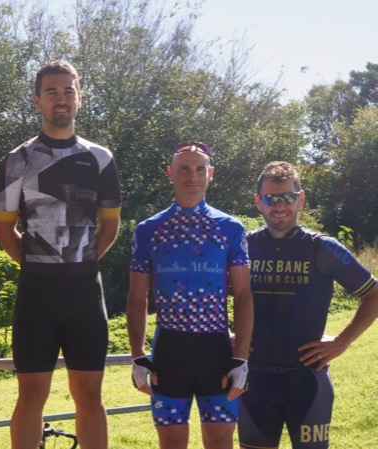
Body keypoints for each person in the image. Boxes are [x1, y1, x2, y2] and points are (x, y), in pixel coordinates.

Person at [0, 60, 122, 449]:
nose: (60, 99)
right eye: (51, 92)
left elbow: (110, 226)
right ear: (37, 101)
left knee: (90, 396)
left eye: (68, 91)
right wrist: (38, 263)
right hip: (37, 294)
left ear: (79, 98)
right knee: (31, 396)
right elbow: (4, 229)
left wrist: (80, 262)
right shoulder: (17, 160)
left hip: (85, 292)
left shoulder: (101, 159)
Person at [239, 161, 378, 449]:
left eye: (288, 197)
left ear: (301, 198)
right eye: (271, 198)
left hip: (306, 379)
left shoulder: (323, 248)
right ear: (258, 202)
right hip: (254, 379)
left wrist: (342, 341)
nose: (280, 206)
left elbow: (373, 294)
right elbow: (208, 293)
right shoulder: (243, 247)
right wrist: (225, 335)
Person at [126, 141, 253, 449]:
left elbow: (243, 294)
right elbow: (137, 296)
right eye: (183, 168)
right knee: (171, 443)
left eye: (199, 169)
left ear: (211, 174)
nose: (192, 176)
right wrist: (138, 355)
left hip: (216, 352)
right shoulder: (148, 229)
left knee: (220, 441)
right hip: (169, 352)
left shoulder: (231, 228)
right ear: (170, 173)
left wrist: (241, 358)